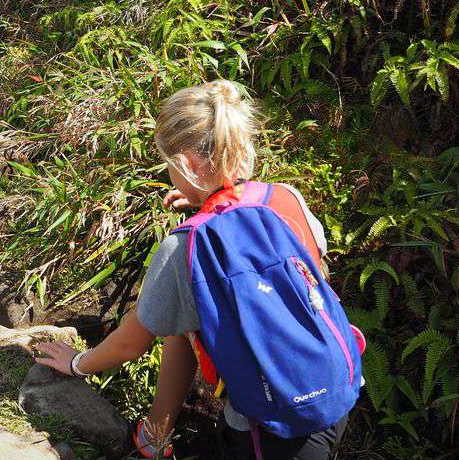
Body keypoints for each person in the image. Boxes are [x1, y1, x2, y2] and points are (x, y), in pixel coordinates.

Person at [33, 81, 356, 460]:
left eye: (170, 165)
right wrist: (206, 200)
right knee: (188, 317)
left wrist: (75, 363)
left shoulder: (184, 247)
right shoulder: (287, 198)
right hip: (337, 388)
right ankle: (154, 439)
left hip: (268, 432)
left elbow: (131, 343)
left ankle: (153, 444)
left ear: (185, 164)